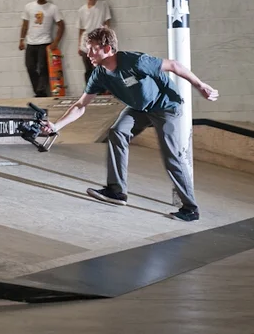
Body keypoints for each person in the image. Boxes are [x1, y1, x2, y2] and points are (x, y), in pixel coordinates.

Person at [40, 27, 219, 222]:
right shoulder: (99, 74)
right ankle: (117, 191)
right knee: (117, 131)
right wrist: (56, 127)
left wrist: (200, 85)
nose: (87, 53)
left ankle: (191, 209)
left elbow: (174, 65)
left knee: (172, 156)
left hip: (165, 106)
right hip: (139, 108)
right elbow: (81, 105)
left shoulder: (136, 61)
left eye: (92, 49)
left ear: (107, 48)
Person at [19, 0, 64, 97]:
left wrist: (56, 42)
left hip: (45, 42)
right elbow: (25, 25)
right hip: (31, 43)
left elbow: (61, 25)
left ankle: (41, 91)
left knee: (43, 68)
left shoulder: (52, 8)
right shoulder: (29, 7)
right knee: (30, 67)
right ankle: (38, 90)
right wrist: (21, 40)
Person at [77, 0, 112, 85]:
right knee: (88, 68)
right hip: (86, 42)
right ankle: (90, 89)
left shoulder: (103, 5)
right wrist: (79, 45)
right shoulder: (82, 10)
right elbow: (81, 29)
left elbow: (107, 23)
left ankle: (101, 88)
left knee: (99, 66)